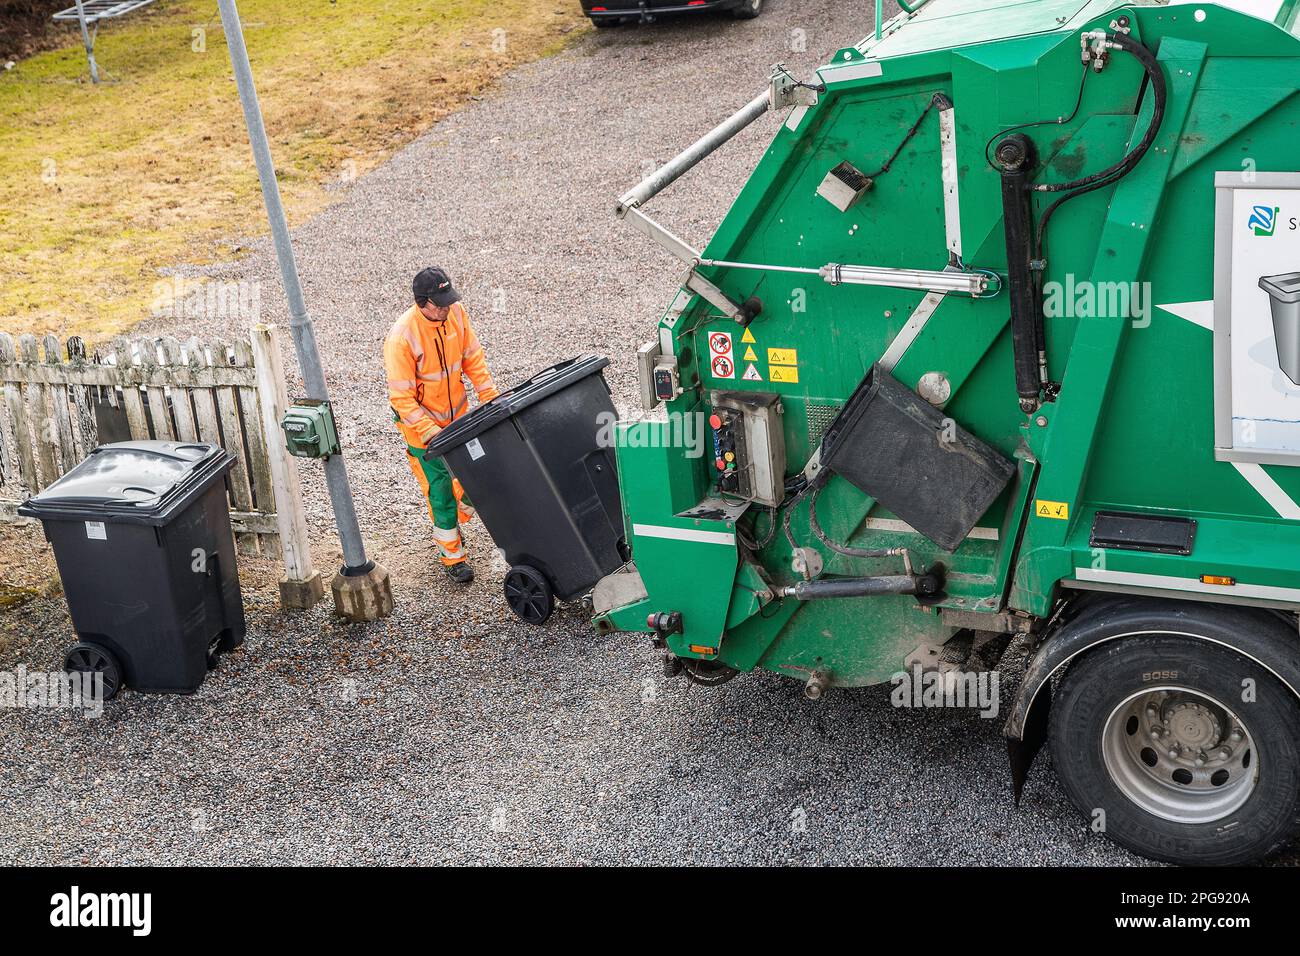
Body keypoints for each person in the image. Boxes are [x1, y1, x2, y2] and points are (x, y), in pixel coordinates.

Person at [383, 267, 499, 583]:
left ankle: (460, 513)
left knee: (481, 474)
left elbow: (473, 357)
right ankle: (453, 556)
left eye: (449, 300)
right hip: (423, 432)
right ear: (423, 302)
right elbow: (402, 399)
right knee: (441, 489)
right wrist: (431, 432)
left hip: (458, 420)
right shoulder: (401, 338)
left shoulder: (456, 314)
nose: (446, 308)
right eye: (440, 303)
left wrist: (490, 397)